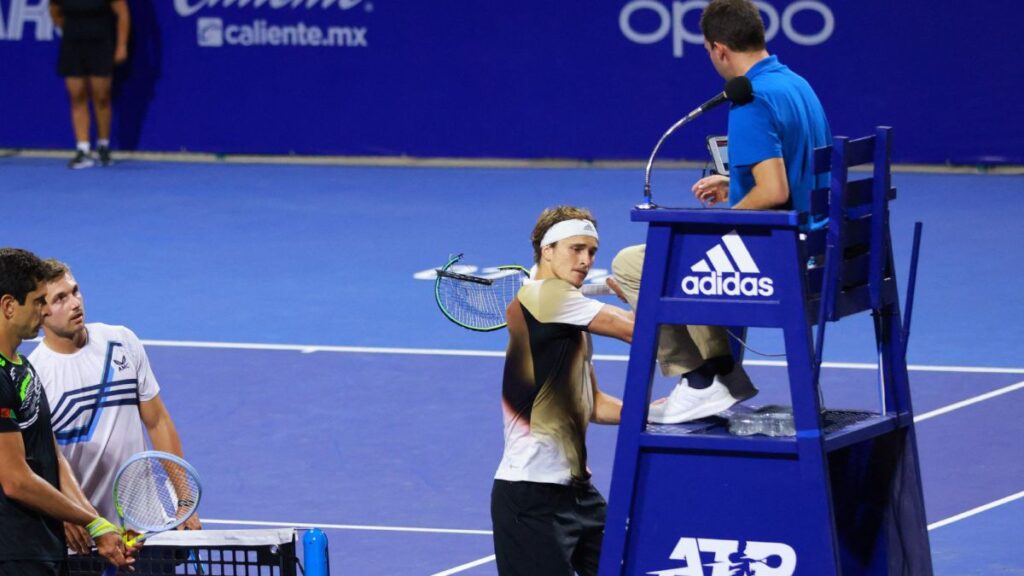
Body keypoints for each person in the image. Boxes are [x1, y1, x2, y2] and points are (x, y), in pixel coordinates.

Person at [612, 0, 831, 424]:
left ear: (718, 49)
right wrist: (734, 185)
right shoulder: (797, 85)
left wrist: (719, 221)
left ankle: (700, 380)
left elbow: (773, 191)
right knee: (692, 252)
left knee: (635, 264)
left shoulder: (750, 99)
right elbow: (795, 173)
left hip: (782, 263)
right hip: (820, 250)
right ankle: (722, 378)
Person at [491, 206, 634, 576]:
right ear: (546, 250)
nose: (586, 260)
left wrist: (657, 414)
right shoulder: (545, 298)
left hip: (579, 494)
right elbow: (635, 330)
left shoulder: (565, 312)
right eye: (576, 249)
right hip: (530, 497)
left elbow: (595, 404)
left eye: (592, 252)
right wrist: (643, 292)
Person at [28, 259, 202, 558]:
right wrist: (64, 515)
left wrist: (185, 500)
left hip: (145, 529)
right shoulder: (35, 376)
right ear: (41, 312)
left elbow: (158, 421)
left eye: (75, 291)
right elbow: (37, 464)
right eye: (60, 298)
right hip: (84, 539)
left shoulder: (121, 341)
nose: (75, 303)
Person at [0, 248, 134, 576]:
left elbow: (51, 453)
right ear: (8, 306)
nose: (44, 310)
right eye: (37, 301)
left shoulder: (23, 367)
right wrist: (89, 519)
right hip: (12, 555)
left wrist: (97, 524)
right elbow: (15, 480)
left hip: (45, 548)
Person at [49, 0, 130, 169]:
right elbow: (55, 12)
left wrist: (121, 45)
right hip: (72, 46)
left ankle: (103, 146)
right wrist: (73, 31)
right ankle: (83, 149)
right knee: (76, 96)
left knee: (101, 96)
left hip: (101, 44)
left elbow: (122, 14)